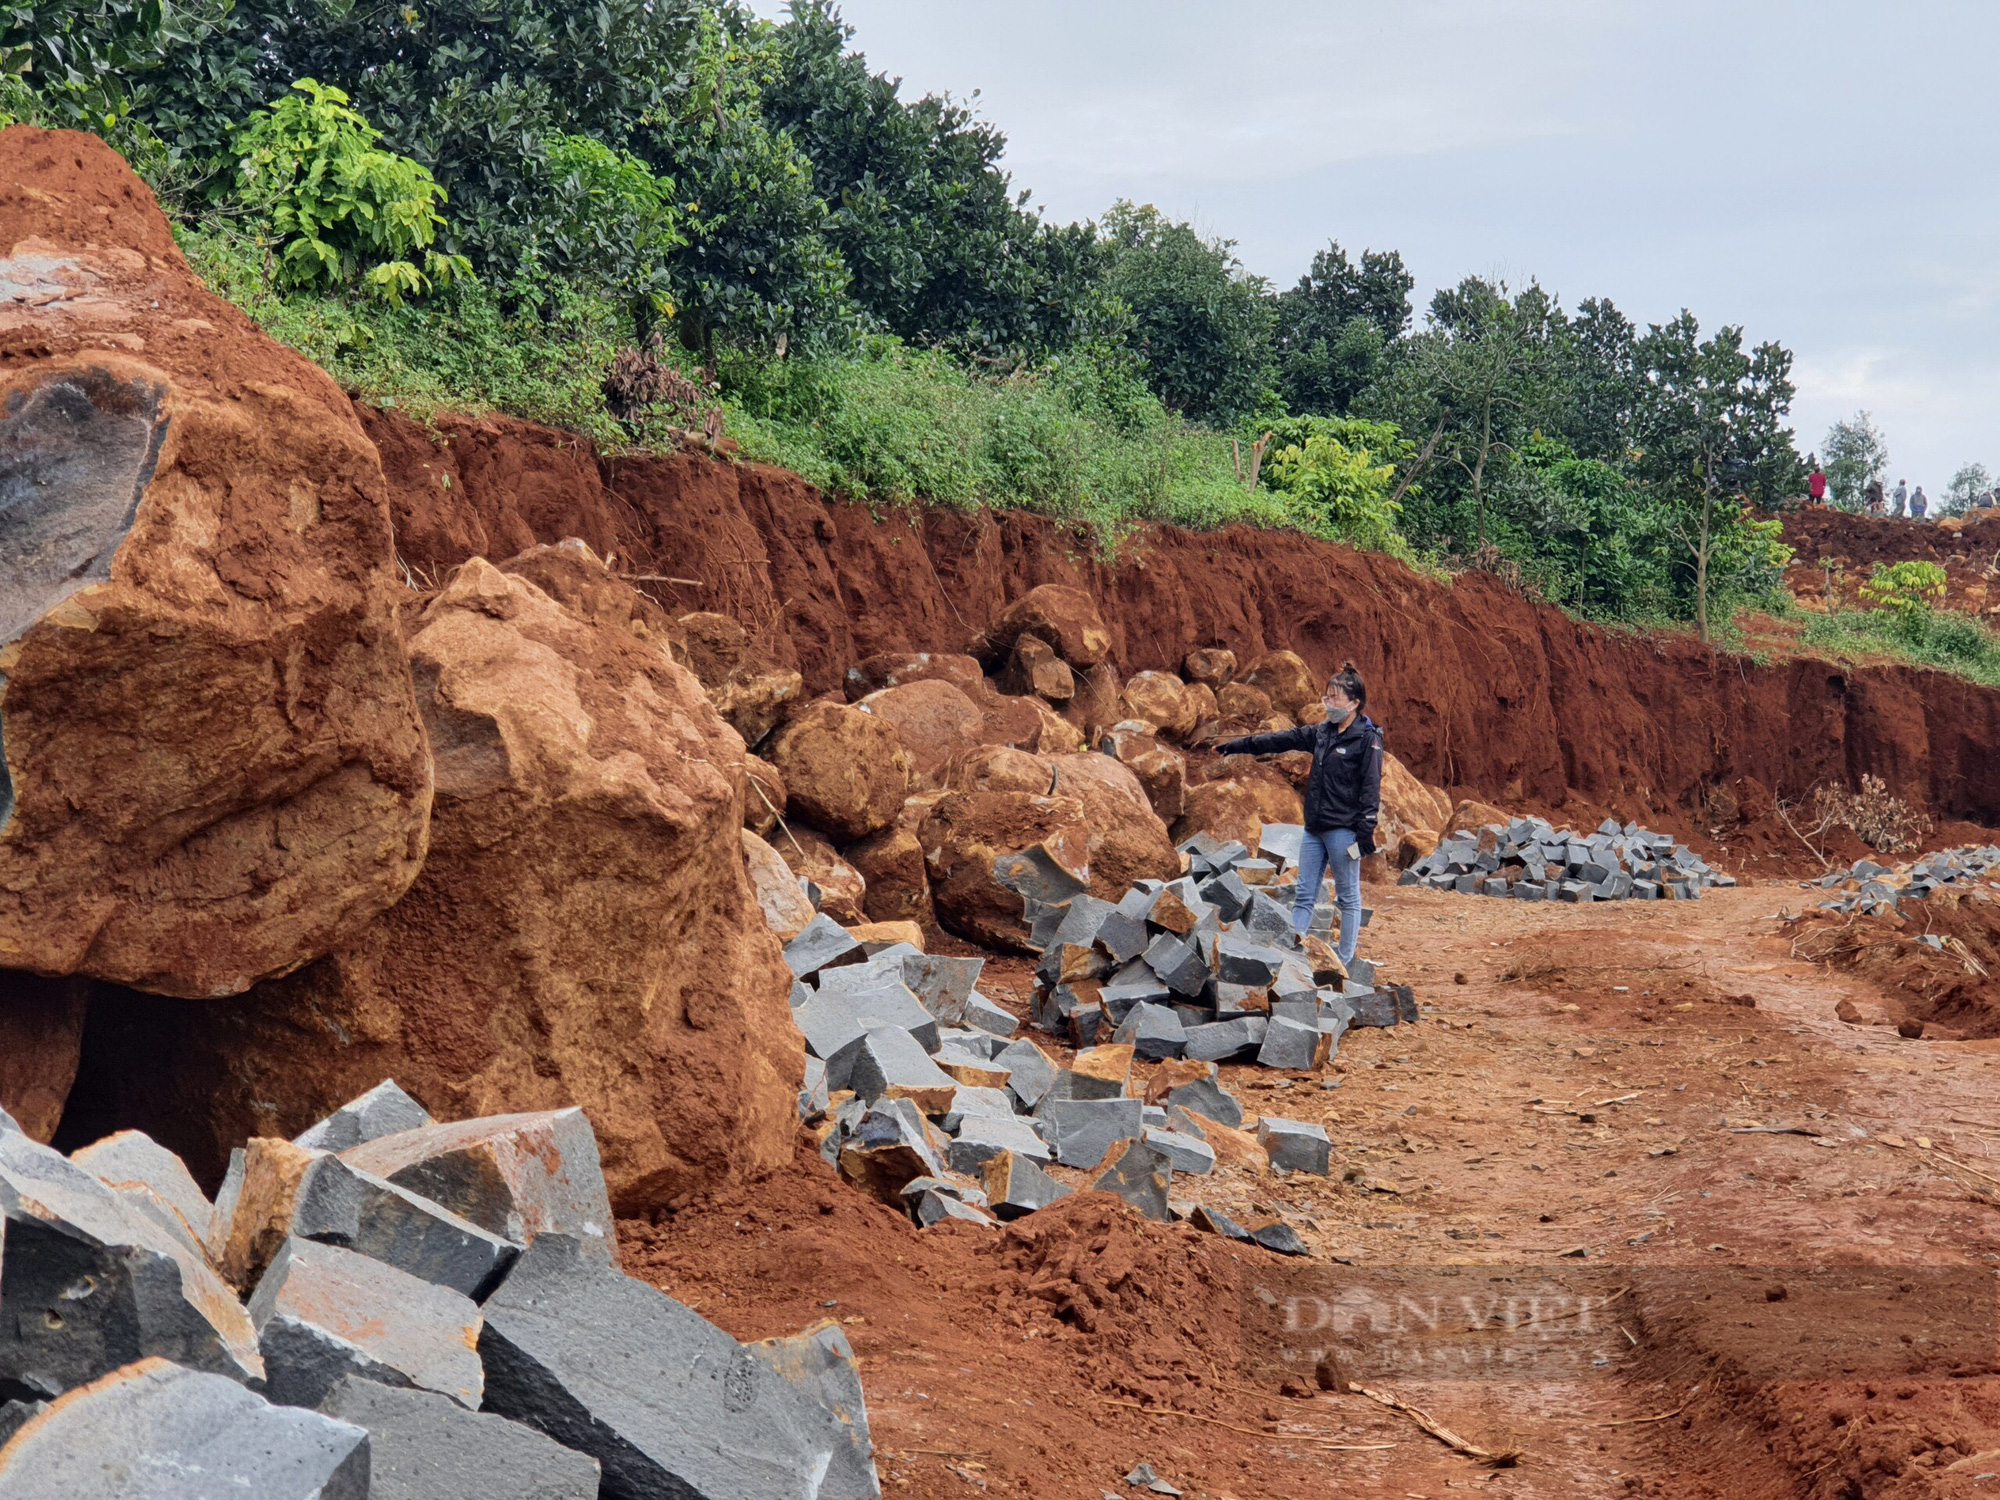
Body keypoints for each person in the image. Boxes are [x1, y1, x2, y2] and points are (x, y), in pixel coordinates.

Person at [1216, 662, 1381, 964]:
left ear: (1354, 703)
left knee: (1347, 899)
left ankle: (1342, 963)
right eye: (1327, 697)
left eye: (1335, 698)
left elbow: (1370, 788)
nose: (1328, 703)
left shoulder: (1367, 740)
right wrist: (1237, 745)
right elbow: (1281, 739)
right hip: (1314, 830)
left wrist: (1366, 829)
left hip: (1343, 832)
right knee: (1304, 894)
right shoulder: (1322, 733)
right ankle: (1293, 958)